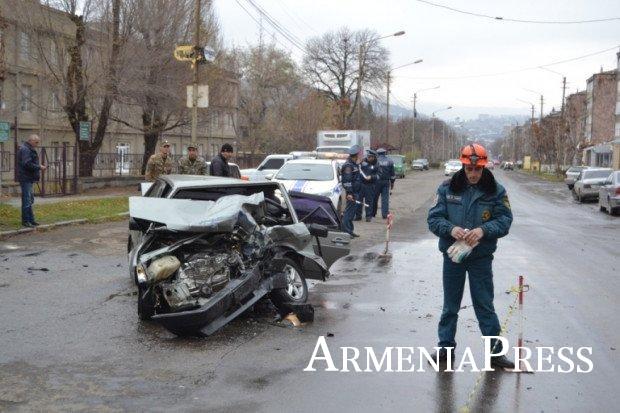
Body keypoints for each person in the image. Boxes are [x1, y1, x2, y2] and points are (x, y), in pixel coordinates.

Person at [427, 143, 514, 369]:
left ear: (484, 167)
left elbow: (505, 221)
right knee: (450, 306)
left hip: (481, 258)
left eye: (477, 170)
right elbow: (434, 219)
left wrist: (484, 230)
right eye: (469, 169)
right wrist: (450, 229)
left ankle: (495, 353)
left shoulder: (496, 191)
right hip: (453, 257)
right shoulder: (447, 188)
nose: (473, 174)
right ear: (463, 166)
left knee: (484, 305)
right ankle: (445, 348)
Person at [17, 134, 47, 228]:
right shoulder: (26, 149)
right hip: (26, 177)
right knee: (27, 199)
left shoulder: (28, 148)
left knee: (30, 199)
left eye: (38, 142)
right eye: (36, 142)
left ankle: (31, 220)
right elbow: (27, 163)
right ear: (30, 140)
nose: (37, 144)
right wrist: (39, 167)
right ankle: (26, 221)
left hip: (28, 177)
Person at [340, 145, 362, 237]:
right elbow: (347, 181)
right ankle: (346, 232)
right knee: (348, 213)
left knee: (351, 213)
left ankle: (350, 230)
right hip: (351, 193)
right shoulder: (348, 166)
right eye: (359, 154)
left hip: (355, 192)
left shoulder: (354, 164)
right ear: (356, 155)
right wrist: (349, 193)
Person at [355, 149, 380, 222]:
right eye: (368, 156)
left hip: (370, 185)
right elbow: (356, 169)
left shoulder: (377, 165)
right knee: (358, 201)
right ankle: (358, 215)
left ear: (374, 157)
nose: (369, 158)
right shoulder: (363, 162)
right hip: (361, 184)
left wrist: (372, 177)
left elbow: (379, 175)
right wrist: (358, 163)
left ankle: (368, 216)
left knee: (369, 201)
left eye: (371, 157)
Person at [375, 148, 395, 219]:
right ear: (385, 153)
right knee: (385, 199)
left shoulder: (375, 161)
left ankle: (373, 213)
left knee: (375, 198)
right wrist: (392, 183)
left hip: (376, 182)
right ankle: (385, 214)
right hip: (386, 182)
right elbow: (392, 174)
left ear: (377, 153)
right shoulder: (390, 161)